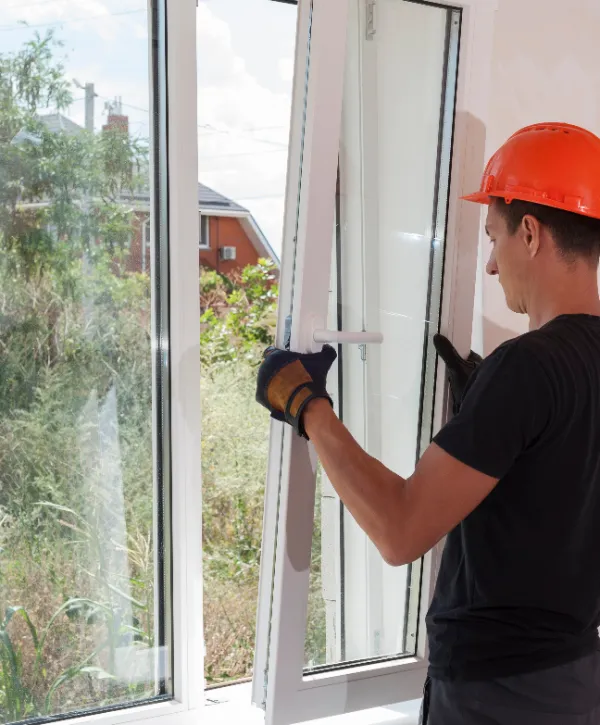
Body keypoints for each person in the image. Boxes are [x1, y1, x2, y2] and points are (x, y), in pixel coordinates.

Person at [255, 122, 600, 723]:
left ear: (530, 232)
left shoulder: (525, 369)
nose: (490, 266)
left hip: (500, 695)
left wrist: (307, 406)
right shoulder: (548, 371)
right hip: (577, 681)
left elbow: (400, 531)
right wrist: (490, 419)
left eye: (492, 238)